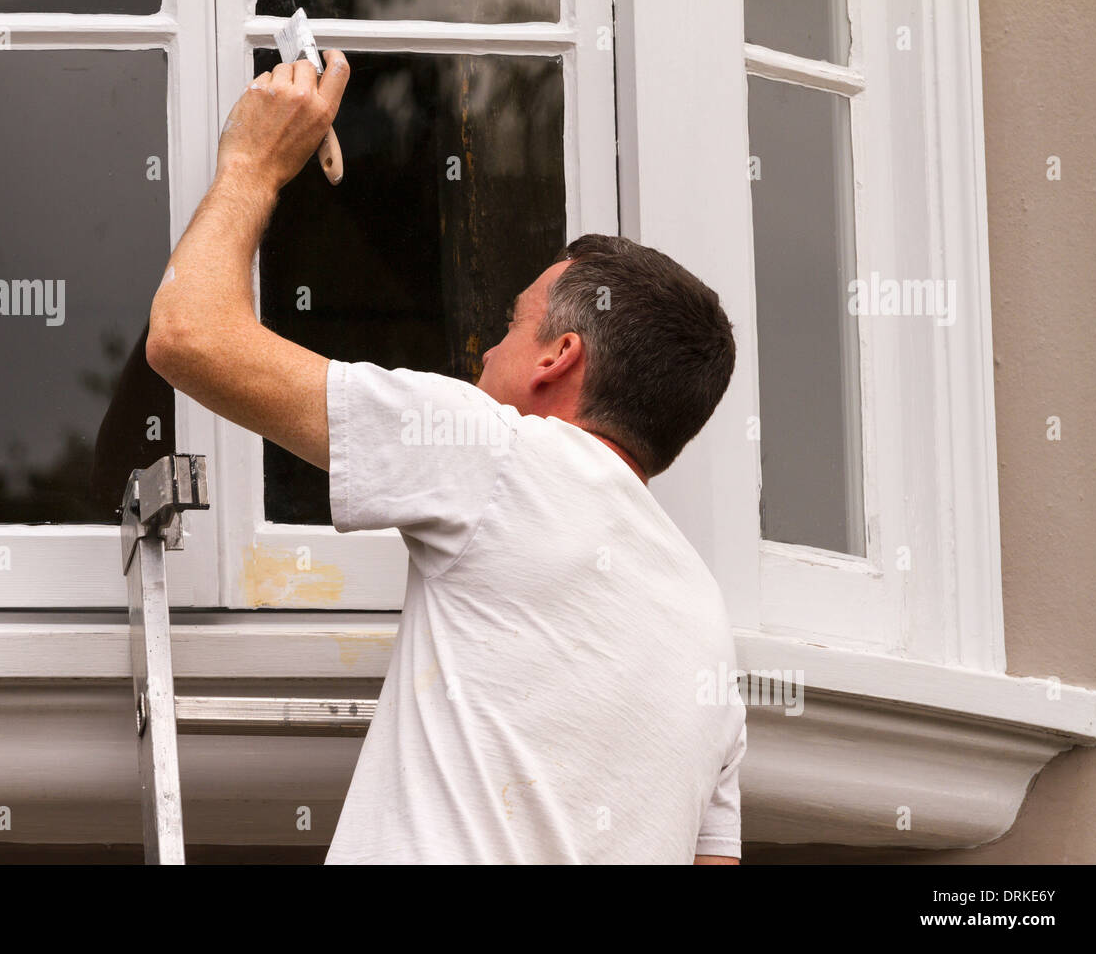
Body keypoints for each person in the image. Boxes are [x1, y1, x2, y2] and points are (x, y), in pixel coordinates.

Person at [146, 50, 747, 864]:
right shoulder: (708, 634)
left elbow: (189, 336)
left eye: (509, 326)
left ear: (557, 357)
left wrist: (252, 163)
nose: (483, 352)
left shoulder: (496, 457)